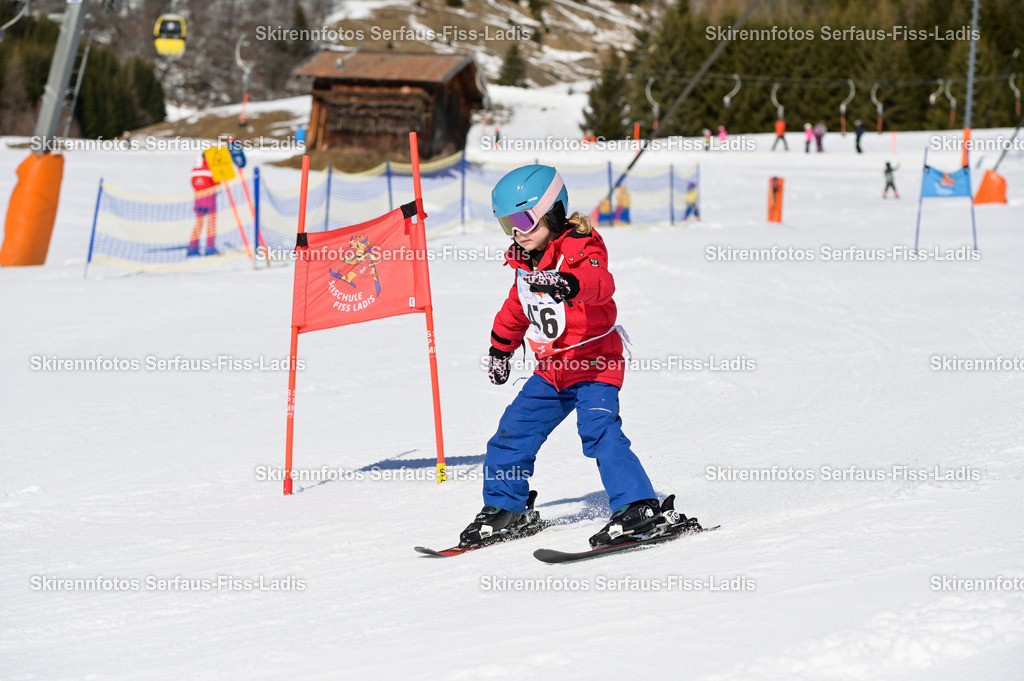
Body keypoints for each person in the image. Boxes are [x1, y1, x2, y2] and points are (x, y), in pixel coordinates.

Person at [458, 165, 700, 550]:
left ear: (552, 210)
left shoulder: (581, 245)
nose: (518, 233)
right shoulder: (525, 260)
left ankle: (638, 506)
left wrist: (569, 284)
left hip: (595, 363)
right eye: (508, 225)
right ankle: (506, 508)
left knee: (599, 431)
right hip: (553, 370)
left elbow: (601, 283)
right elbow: (517, 308)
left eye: (523, 220)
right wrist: (500, 348)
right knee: (511, 433)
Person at [188, 155, 219, 256]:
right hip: (210, 200)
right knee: (211, 224)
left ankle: (193, 248)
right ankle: (210, 248)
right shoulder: (212, 168)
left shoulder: (195, 168)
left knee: (198, 224)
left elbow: (193, 183)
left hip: (198, 199)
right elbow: (216, 183)